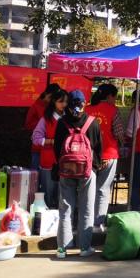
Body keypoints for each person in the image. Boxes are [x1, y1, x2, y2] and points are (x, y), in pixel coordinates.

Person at [52, 89, 103, 258]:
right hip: (87, 171)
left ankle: (62, 249)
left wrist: (62, 165)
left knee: (65, 209)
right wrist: (94, 167)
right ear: (84, 103)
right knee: (86, 209)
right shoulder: (93, 123)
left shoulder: (62, 123)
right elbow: (98, 149)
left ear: (68, 104)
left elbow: (57, 148)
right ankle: (84, 248)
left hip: (66, 171)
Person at [86, 83, 123, 229]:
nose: (114, 100)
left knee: (89, 188)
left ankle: (86, 220)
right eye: (115, 97)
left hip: (89, 155)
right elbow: (119, 133)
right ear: (109, 96)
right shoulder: (113, 110)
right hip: (109, 154)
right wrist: (121, 143)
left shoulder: (87, 109)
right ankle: (98, 223)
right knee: (103, 189)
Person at [31, 88, 68, 208]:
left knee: (63, 196)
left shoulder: (69, 119)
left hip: (66, 163)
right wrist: (52, 141)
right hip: (49, 162)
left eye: (66, 101)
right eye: (61, 101)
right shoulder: (46, 119)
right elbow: (35, 138)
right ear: (53, 102)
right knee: (48, 194)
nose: (64, 104)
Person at [26, 83, 62, 169]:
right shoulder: (35, 106)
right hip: (38, 147)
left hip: (51, 149)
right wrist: (43, 125)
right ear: (46, 93)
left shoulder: (53, 107)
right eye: (50, 97)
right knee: (36, 173)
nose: (51, 100)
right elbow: (28, 125)